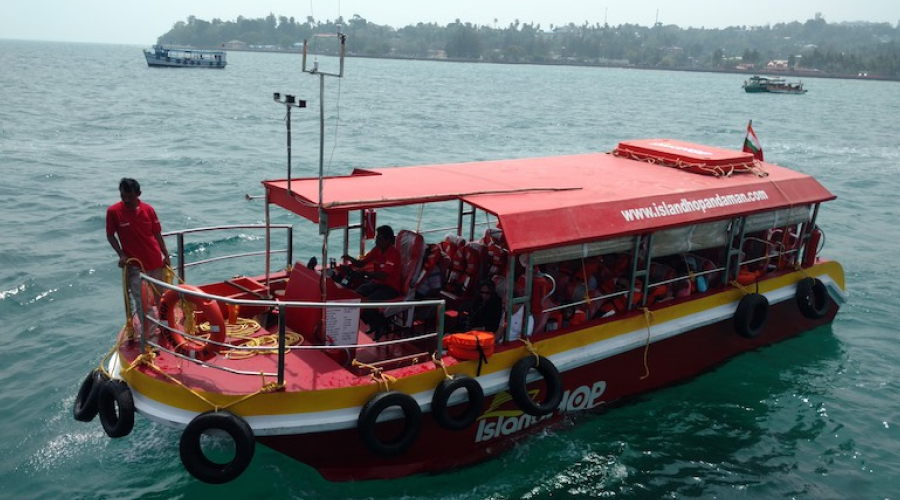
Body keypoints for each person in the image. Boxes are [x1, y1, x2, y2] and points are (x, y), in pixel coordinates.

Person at [106, 178, 171, 316]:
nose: (127, 199)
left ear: (139, 194)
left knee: (161, 297)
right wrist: (121, 255)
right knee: (142, 303)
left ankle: (166, 327)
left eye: (130, 196)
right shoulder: (113, 212)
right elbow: (110, 235)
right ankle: (149, 335)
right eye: (123, 196)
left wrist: (166, 254)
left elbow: (157, 233)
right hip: (135, 266)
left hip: (155, 261)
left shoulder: (148, 210)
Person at [342, 225, 402, 338]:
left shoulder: (394, 255)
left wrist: (365, 273)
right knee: (356, 295)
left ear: (388, 240)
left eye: (379, 239)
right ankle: (373, 322)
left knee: (368, 302)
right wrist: (349, 259)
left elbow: (383, 276)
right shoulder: (377, 250)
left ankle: (381, 324)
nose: (376, 241)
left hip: (390, 288)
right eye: (377, 238)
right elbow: (362, 263)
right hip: (377, 283)